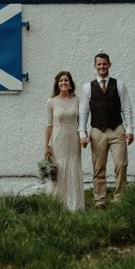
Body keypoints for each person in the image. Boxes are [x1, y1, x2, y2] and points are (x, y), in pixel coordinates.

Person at [78, 53, 134, 208]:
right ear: (95, 66)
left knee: (121, 164)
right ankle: (100, 199)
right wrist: (82, 133)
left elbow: (127, 108)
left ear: (110, 64)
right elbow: (83, 111)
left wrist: (129, 129)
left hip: (117, 129)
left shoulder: (119, 84)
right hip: (97, 131)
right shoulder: (87, 87)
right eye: (99, 64)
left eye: (104, 64)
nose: (102, 67)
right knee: (98, 167)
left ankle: (120, 197)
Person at [44, 71, 85, 212]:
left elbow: (82, 122)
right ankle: (58, 203)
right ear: (57, 83)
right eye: (61, 81)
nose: (63, 83)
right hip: (58, 138)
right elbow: (49, 125)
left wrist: (83, 136)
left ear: (70, 83)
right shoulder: (51, 102)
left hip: (73, 138)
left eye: (66, 80)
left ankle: (75, 203)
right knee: (60, 168)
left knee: (73, 165)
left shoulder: (77, 100)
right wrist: (46, 146)